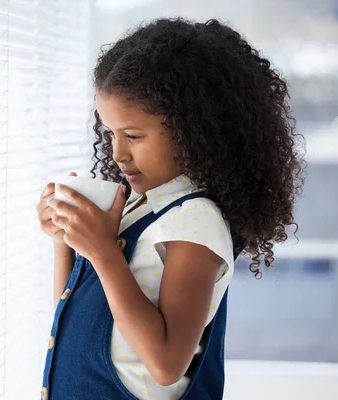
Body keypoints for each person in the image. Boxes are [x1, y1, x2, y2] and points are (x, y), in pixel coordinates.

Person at [35, 18, 304, 400]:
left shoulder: (195, 222)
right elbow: (79, 321)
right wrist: (66, 239)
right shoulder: (139, 207)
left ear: (193, 129)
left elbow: (165, 364)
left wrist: (102, 251)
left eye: (133, 136)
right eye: (110, 133)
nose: (117, 152)